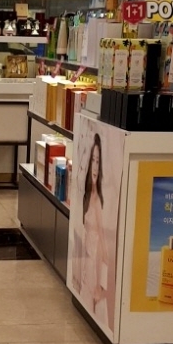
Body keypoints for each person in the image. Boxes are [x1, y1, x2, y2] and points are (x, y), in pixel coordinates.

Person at [80, 133, 108, 323]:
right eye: (93, 160)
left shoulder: (97, 201)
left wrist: (101, 285)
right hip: (86, 262)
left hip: (93, 267)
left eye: (98, 161)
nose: (95, 167)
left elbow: (103, 248)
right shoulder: (88, 196)